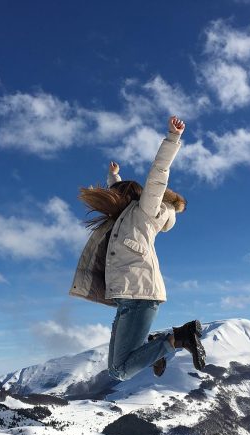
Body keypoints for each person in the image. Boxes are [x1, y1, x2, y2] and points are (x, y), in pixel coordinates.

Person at [70, 116, 206, 381]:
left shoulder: (144, 213)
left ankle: (178, 338)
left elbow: (157, 176)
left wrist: (172, 138)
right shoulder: (123, 218)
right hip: (128, 299)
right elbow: (119, 193)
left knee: (119, 370)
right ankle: (158, 345)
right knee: (115, 367)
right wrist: (113, 176)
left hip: (141, 297)